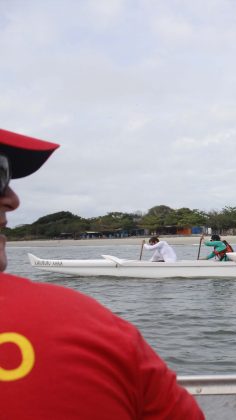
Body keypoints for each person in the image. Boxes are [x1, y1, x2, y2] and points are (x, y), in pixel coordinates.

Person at [0, 128, 203, 419]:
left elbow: (152, 253)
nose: (13, 198)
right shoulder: (96, 327)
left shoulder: (164, 245)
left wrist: (148, 248)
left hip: (167, 266)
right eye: (0, 175)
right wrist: (147, 248)